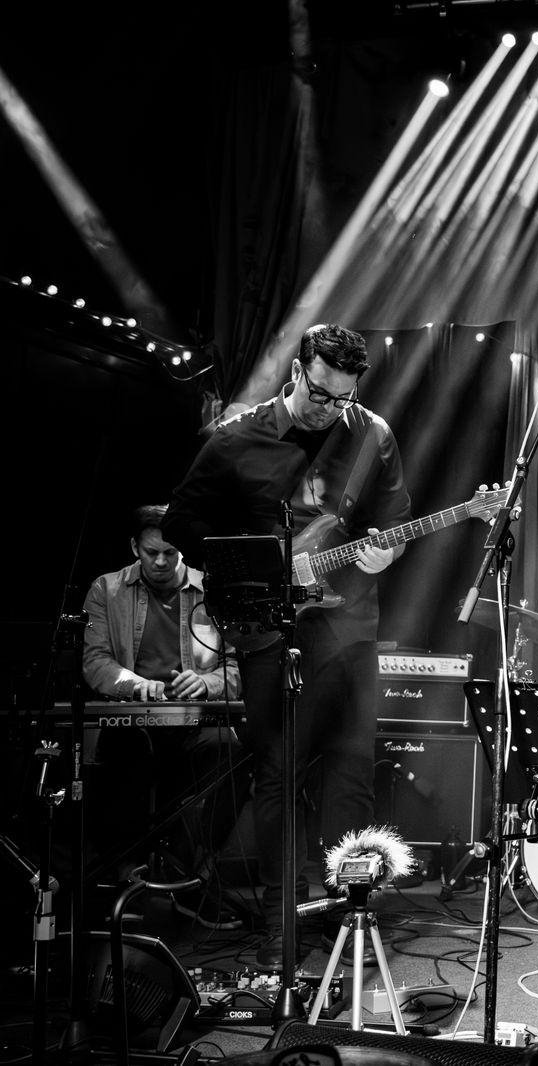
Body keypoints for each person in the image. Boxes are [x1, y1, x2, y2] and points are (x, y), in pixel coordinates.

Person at [163, 323, 412, 968]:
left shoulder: (371, 434)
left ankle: (349, 917)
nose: (333, 409)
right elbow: (181, 521)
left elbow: (392, 522)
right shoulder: (237, 437)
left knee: (351, 776)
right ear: (298, 372)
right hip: (269, 629)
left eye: (346, 397)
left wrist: (385, 553)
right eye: (323, 394)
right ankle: (281, 928)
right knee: (276, 777)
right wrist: (247, 570)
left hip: (350, 627)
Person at [80, 503, 247, 926]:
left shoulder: (213, 590)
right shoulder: (106, 589)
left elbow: (237, 667)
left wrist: (205, 684)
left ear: (182, 550)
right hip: (134, 721)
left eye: (169, 553)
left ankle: (191, 873)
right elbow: (95, 661)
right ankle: (129, 878)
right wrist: (135, 684)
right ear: (134, 547)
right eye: (151, 552)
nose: (160, 561)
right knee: (124, 753)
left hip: (195, 721)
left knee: (235, 756)